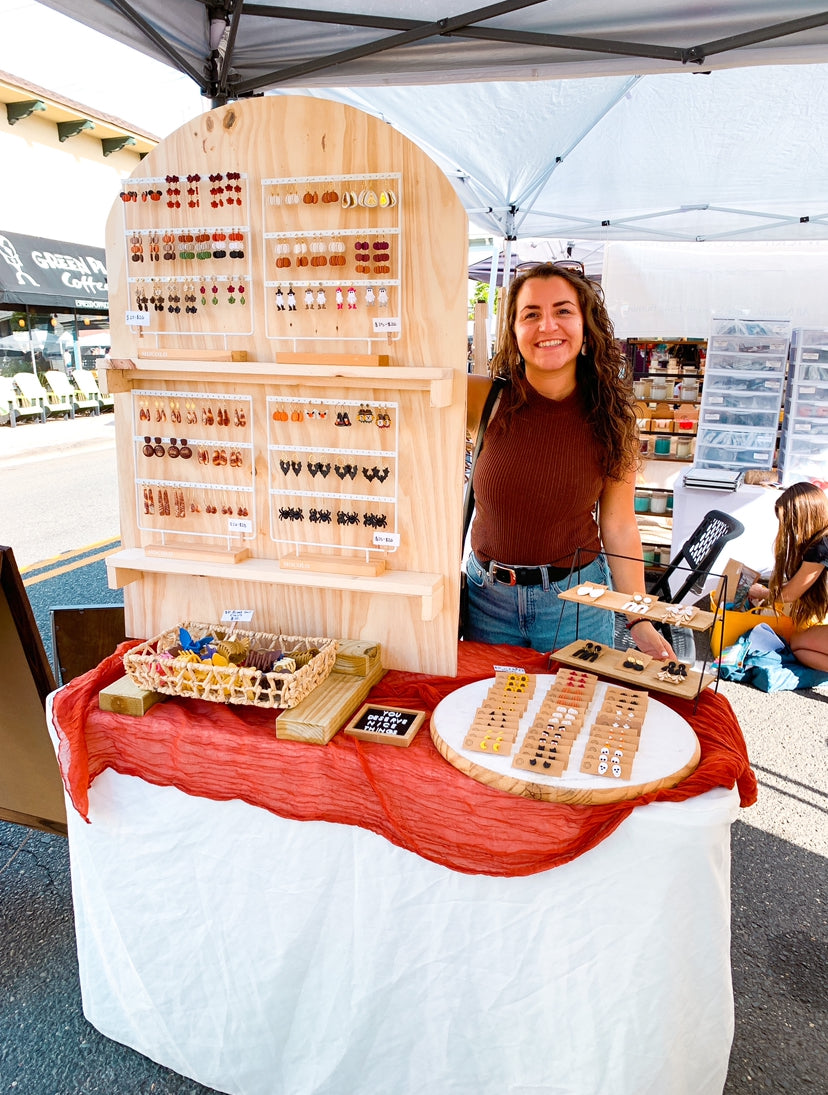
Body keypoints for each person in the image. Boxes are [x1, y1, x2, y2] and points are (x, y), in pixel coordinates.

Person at [464, 260, 675, 660]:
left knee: (573, 714)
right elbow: (404, 387)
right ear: (513, 331)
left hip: (577, 602)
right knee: (490, 719)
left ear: (585, 328)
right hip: (486, 600)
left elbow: (618, 524)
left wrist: (639, 617)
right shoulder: (484, 399)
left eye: (563, 311)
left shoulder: (614, 418)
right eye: (531, 314)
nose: (547, 326)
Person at [748, 481, 828, 671]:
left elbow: (789, 595)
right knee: (800, 650)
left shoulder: (822, 547)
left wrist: (762, 592)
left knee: (798, 643)